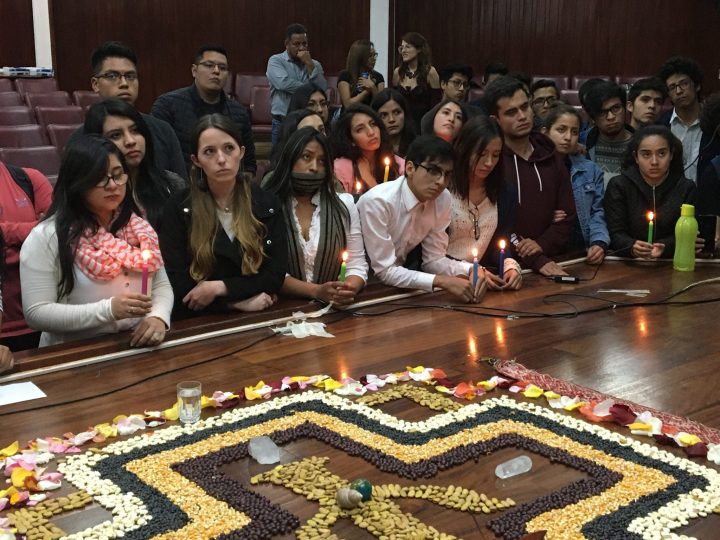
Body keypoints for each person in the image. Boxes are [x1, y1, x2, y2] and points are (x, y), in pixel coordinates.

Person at [20, 136, 172, 347]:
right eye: (100, 178)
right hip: (73, 353)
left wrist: (158, 317)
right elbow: (36, 312)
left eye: (118, 175)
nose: (112, 185)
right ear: (77, 182)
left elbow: (161, 285)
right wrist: (108, 310)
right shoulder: (48, 236)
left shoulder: (139, 228)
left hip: (135, 346)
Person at [159, 114, 287, 319]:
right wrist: (235, 304)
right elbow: (177, 283)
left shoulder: (267, 203)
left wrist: (221, 287)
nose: (221, 159)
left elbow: (274, 275)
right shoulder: (179, 206)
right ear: (196, 160)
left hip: (258, 316)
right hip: (197, 321)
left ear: (241, 152)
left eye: (229, 148)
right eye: (209, 152)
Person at [358, 135, 485, 303]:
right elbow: (385, 271)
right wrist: (442, 281)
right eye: (433, 171)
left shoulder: (443, 198)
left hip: (397, 287)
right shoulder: (379, 202)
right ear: (410, 168)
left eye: (447, 174)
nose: (441, 182)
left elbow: (433, 260)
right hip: (358, 286)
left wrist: (472, 269)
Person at [483, 76, 576, 276]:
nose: (522, 116)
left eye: (525, 107)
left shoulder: (550, 155)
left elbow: (567, 215)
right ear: (495, 120)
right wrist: (535, 258)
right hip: (506, 269)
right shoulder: (491, 162)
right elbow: (495, 226)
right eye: (511, 112)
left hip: (554, 261)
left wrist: (541, 245)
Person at [262, 127, 367, 304]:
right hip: (281, 307)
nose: (314, 168)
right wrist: (316, 291)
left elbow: (357, 264)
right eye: (306, 157)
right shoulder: (269, 206)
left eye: (322, 161)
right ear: (291, 159)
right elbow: (268, 270)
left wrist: (347, 288)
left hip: (333, 307)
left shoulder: (344, 204)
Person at [69, 41, 186, 180]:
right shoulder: (82, 137)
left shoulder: (162, 129)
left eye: (130, 76)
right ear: (95, 84)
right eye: (112, 76)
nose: (124, 84)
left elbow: (182, 189)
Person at [83, 99, 186, 231]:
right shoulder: (91, 196)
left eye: (135, 131)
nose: (130, 141)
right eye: (116, 135)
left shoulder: (171, 184)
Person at [151, 44, 256, 174]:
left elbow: (249, 164)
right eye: (209, 65)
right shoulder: (167, 105)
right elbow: (158, 159)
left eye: (222, 68)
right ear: (194, 71)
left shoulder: (239, 112)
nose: (216, 71)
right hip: (181, 187)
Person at [447, 115, 522, 289]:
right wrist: (471, 270)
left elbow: (501, 241)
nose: (489, 163)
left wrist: (509, 265)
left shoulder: (504, 192)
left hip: (484, 281)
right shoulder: (443, 190)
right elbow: (430, 256)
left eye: (495, 155)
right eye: (481, 154)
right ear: (464, 149)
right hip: (445, 282)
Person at [604, 125, 697, 258]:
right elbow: (614, 233)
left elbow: (691, 235)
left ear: (671, 154)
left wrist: (666, 246)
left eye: (661, 153)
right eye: (646, 154)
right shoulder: (619, 185)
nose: (654, 162)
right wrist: (631, 246)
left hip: (671, 262)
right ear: (636, 157)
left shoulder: (686, 188)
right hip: (628, 263)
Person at [541, 103, 609, 265]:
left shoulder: (590, 170)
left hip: (581, 250)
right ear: (545, 133)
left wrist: (598, 243)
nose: (568, 137)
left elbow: (597, 213)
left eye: (574, 132)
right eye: (561, 130)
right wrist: (543, 216)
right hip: (545, 251)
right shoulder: (534, 169)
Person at [0, 161, 53, 351]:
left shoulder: (30, 179)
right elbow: (42, 236)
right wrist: (32, 231)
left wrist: (3, 233)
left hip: (40, 321)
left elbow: (56, 234)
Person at [266, 23, 327, 145]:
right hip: (282, 122)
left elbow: (321, 89)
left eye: (304, 43)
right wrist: (309, 89)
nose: (301, 48)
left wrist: (310, 65)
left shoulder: (314, 64)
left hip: (308, 122)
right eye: (297, 44)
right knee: (279, 159)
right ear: (287, 44)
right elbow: (283, 84)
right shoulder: (276, 61)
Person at [331, 104, 404, 193]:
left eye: (373, 124)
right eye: (360, 129)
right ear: (350, 140)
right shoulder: (341, 168)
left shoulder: (398, 164)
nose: (371, 132)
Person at [657, 56, 703, 182]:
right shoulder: (661, 125)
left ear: (697, 85)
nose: (678, 91)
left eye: (684, 83)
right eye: (672, 87)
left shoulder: (714, 123)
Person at [582, 81, 634, 185]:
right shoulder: (581, 144)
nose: (611, 117)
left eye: (616, 108)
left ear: (625, 108)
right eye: (602, 112)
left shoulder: (641, 144)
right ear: (593, 119)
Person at [391, 32, 440, 128]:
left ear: (419, 49)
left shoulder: (430, 72)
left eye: (408, 47)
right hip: (402, 126)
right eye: (402, 48)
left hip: (423, 127)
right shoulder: (398, 72)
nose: (403, 51)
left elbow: (436, 105)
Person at [338, 40, 385, 109]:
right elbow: (348, 105)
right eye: (370, 56)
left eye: (374, 55)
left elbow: (382, 105)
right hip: (350, 116)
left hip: (371, 116)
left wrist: (373, 87)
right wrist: (367, 91)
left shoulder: (378, 77)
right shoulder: (345, 75)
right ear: (360, 57)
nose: (374, 59)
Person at [371, 88, 417, 157]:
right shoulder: (371, 151)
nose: (391, 119)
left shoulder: (419, 148)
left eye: (396, 112)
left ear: (405, 113)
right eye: (384, 115)